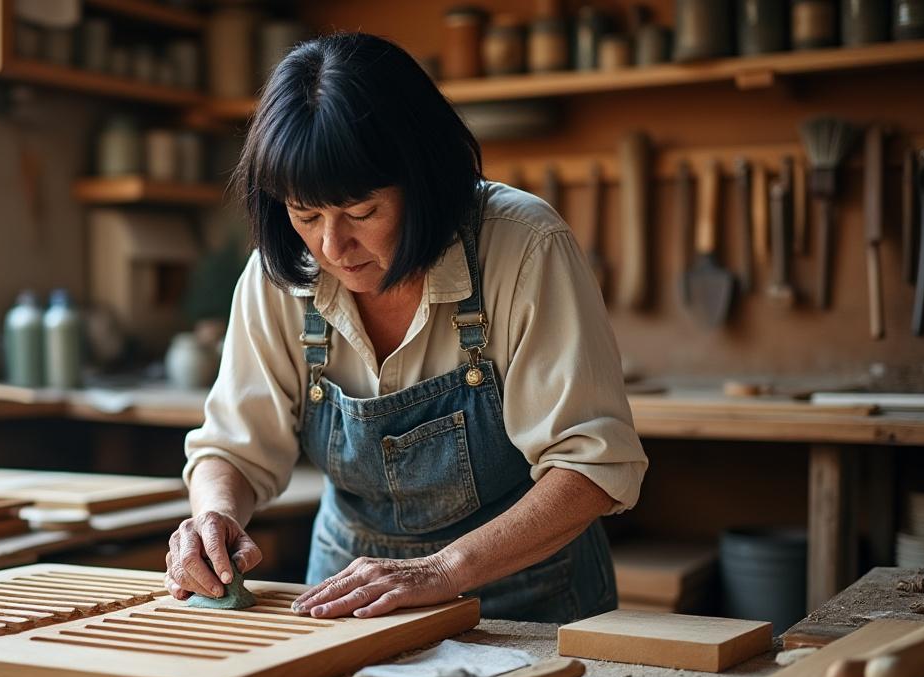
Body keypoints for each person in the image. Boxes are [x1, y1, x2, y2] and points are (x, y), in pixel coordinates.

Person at [166, 32, 647, 623]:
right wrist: (214, 517)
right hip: (348, 597)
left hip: (527, 597)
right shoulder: (284, 274)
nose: (332, 246)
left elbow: (591, 466)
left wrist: (442, 571)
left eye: (361, 212)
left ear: (423, 177)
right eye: (305, 213)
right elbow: (235, 449)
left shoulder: (523, 246)